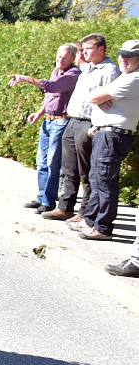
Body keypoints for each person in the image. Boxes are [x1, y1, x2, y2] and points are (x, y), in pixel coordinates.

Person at [43, 33, 120, 221]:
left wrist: (96, 125)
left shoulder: (109, 70)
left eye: (89, 49)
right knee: (68, 169)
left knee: (87, 171)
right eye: (83, 49)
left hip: (88, 123)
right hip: (73, 121)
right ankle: (65, 207)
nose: (84, 52)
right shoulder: (87, 69)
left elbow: (111, 99)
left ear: (101, 49)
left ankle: (85, 211)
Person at [74, 39, 139, 240]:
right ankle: (90, 219)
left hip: (114, 134)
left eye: (128, 56)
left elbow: (94, 97)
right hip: (106, 132)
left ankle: (102, 227)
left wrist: (99, 95)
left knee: (104, 181)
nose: (123, 59)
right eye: (121, 54)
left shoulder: (133, 79)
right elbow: (95, 95)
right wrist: (99, 96)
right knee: (96, 177)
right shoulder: (126, 76)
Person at [7, 43, 80, 214]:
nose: (60, 59)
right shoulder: (56, 71)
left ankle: (48, 202)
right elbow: (50, 96)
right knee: (41, 162)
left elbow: (53, 87)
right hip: (48, 121)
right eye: (58, 56)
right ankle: (41, 197)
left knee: (52, 163)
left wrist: (25, 78)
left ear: (72, 59)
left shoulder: (73, 74)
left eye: (64, 57)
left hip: (61, 122)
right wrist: (40, 113)